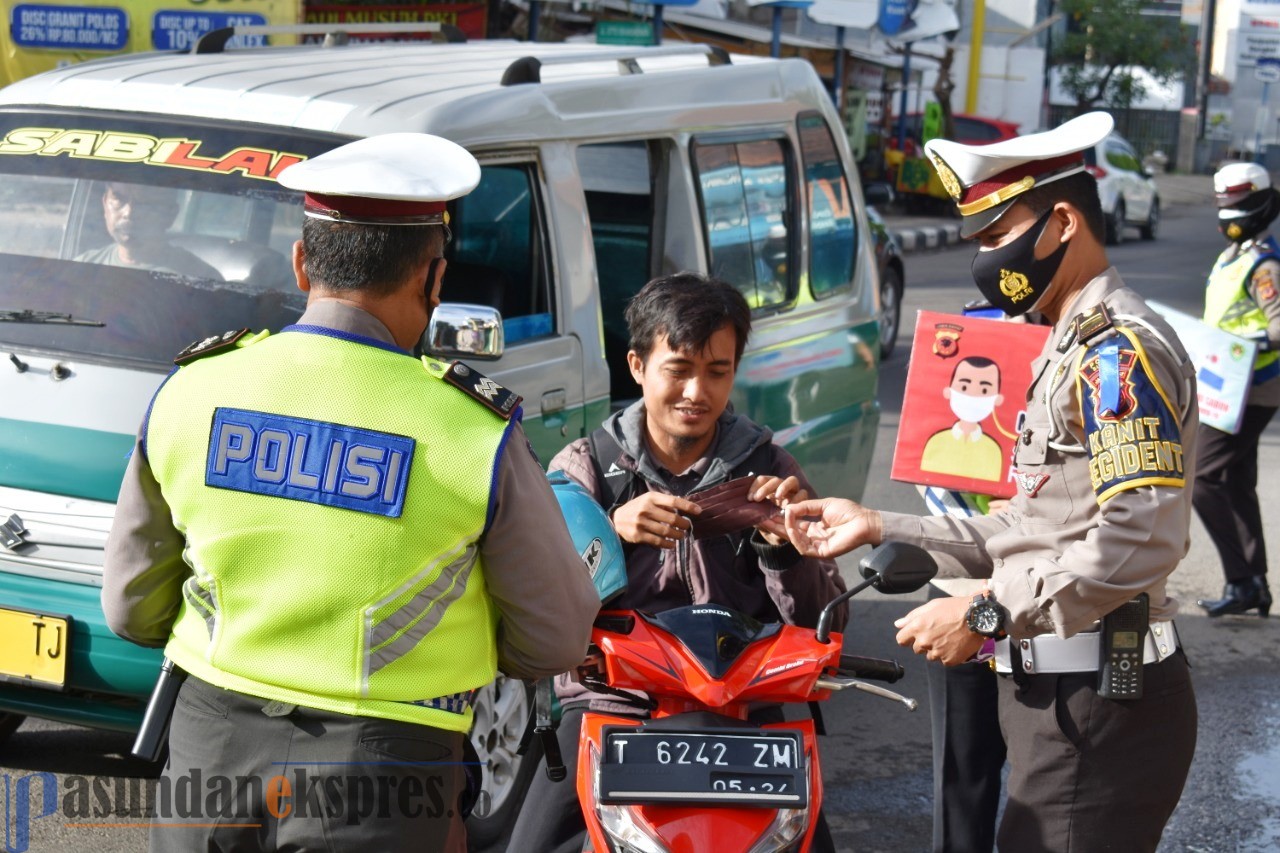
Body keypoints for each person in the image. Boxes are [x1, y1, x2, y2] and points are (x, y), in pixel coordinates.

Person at [100, 133, 601, 853]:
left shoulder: (192, 391)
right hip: (387, 767)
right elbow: (552, 636)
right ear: (434, 278)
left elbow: (130, 607)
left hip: (208, 745)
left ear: (303, 262)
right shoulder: (473, 432)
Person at [782, 112, 1199, 853]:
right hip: (1058, 693)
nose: (984, 257)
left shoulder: (1117, 354)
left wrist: (983, 615)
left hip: (1098, 697)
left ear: (1063, 222)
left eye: (993, 235)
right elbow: (1028, 526)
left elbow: (1142, 536)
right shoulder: (1065, 341)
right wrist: (878, 525)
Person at [509, 272, 848, 853]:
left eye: (718, 371)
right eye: (679, 369)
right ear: (638, 365)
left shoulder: (769, 469)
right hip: (614, 705)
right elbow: (538, 599)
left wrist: (783, 547)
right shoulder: (586, 469)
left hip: (748, 707)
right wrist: (609, 533)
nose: (697, 391)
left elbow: (826, 623)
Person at [1193, 161, 1280, 618]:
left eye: (1237, 205)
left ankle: (1240, 579)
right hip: (1226, 387)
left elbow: (1278, 327)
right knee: (1236, 481)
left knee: (1202, 478)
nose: (1228, 213)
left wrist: (1242, 344)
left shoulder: (1264, 263)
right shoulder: (1234, 257)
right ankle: (1256, 585)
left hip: (1254, 387)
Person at [77, 182, 223, 280]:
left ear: (170, 214)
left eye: (145, 203)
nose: (129, 212)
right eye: (119, 199)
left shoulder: (202, 280)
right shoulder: (81, 269)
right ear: (104, 204)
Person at [919, 355, 1005, 482]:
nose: (973, 395)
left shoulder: (993, 450)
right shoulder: (936, 441)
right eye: (964, 387)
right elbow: (922, 476)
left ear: (998, 399)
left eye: (985, 390)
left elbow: (995, 483)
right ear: (948, 391)